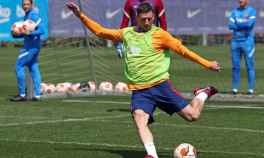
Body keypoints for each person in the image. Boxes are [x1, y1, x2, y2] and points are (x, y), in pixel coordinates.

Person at [66, 2, 220, 158]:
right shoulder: (126, 33)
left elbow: (183, 51)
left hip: (161, 86)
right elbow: (100, 31)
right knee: (140, 118)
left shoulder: (160, 35)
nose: (147, 22)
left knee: (192, 115)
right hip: (140, 91)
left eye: (150, 19)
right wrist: (80, 15)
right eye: (143, 19)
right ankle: (151, 155)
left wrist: (207, 64)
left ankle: (202, 93)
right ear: (136, 18)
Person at [10, 0, 45, 101]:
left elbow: (42, 30)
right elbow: (27, 33)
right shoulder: (27, 16)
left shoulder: (33, 15)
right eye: (24, 4)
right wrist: (17, 35)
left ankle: (22, 95)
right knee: (33, 68)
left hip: (31, 48)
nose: (25, 6)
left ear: (31, 5)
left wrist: (29, 34)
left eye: (27, 4)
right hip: (34, 47)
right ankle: (37, 95)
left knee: (18, 66)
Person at [228, 0, 256, 95]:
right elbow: (230, 25)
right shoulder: (234, 11)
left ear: (247, 1)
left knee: (249, 66)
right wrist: (243, 26)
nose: (240, 0)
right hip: (235, 42)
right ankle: (235, 88)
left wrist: (237, 25)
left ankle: (250, 89)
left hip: (247, 42)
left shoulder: (252, 11)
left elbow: (249, 24)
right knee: (235, 67)